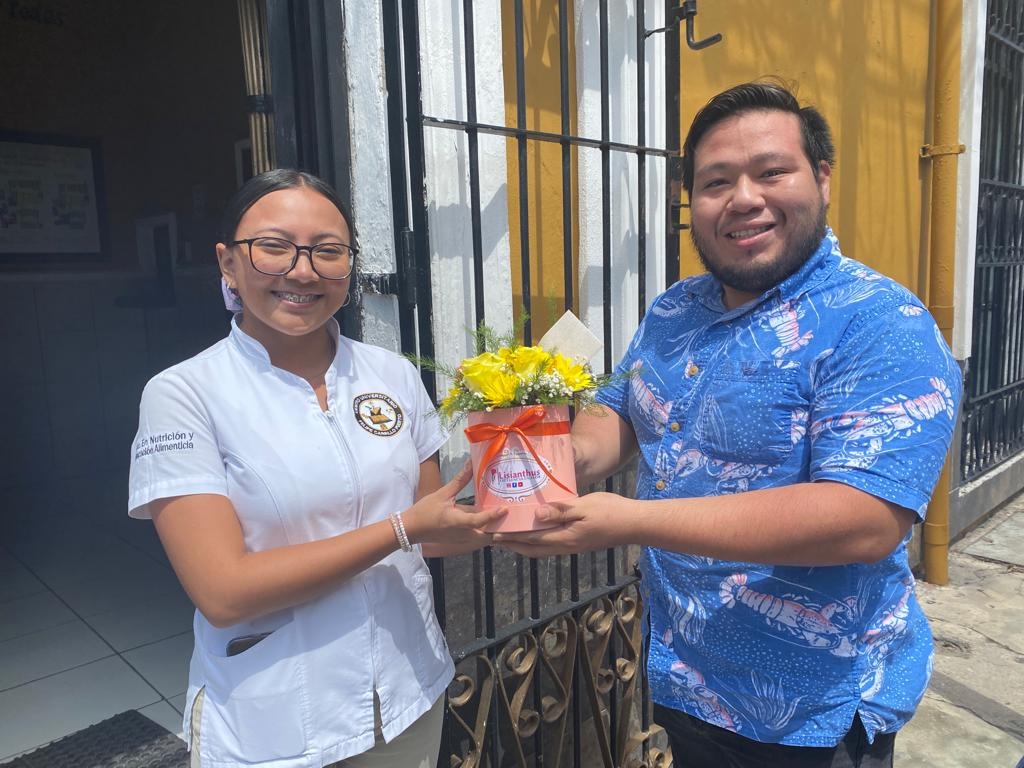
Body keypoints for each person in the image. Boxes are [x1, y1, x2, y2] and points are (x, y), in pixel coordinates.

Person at [496, 82, 962, 767]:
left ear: (821, 178)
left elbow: (863, 519)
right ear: (693, 202)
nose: (743, 197)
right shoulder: (674, 310)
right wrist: (558, 462)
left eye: (771, 172)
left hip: (805, 714)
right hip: (681, 674)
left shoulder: (878, 322)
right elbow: (623, 411)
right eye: (716, 181)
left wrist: (626, 520)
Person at [128, 169, 501, 768]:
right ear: (228, 263)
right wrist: (400, 528)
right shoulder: (185, 394)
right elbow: (223, 591)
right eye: (274, 247)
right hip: (276, 719)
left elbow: (432, 533)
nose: (303, 271)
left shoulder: (391, 374)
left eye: (328, 251)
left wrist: (525, 500)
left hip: (407, 697)